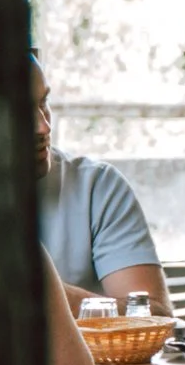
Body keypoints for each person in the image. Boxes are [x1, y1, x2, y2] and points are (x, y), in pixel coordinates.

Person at [34, 60, 168, 319]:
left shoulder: (96, 187)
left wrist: (38, 291)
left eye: (43, 103)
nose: (44, 127)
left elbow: (155, 318)